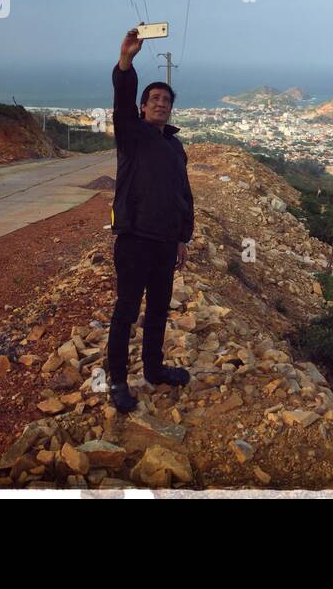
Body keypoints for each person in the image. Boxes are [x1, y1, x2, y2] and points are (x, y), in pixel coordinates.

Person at [107, 27, 194, 413]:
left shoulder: (175, 147)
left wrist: (183, 238)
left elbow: (182, 195)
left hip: (164, 242)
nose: (160, 103)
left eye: (166, 100)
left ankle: (154, 369)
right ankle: (117, 381)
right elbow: (122, 100)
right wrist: (126, 61)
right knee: (126, 311)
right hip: (134, 238)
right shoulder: (132, 134)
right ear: (143, 108)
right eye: (154, 99)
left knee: (159, 308)